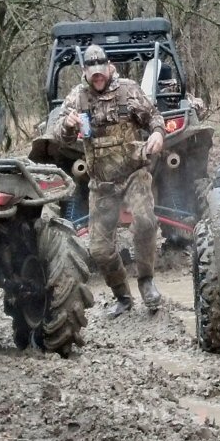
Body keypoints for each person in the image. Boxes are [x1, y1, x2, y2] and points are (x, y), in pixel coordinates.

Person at [50, 44, 167, 317]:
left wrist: (158, 134)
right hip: (101, 183)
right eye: (93, 73)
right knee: (100, 250)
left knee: (145, 220)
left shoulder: (128, 90)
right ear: (85, 72)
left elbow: (154, 118)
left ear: (110, 67)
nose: (98, 77)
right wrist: (67, 125)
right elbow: (57, 137)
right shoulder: (76, 99)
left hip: (133, 173)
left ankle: (147, 281)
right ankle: (122, 297)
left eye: (101, 71)